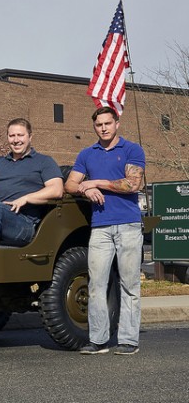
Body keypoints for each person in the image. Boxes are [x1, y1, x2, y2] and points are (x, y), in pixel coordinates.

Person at [65, 106, 145, 356]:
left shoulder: (132, 149)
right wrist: (84, 190)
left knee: (129, 283)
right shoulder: (87, 154)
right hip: (100, 227)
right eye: (99, 124)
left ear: (117, 123)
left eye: (108, 123)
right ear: (94, 126)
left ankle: (129, 340)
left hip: (129, 225)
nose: (103, 128)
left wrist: (96, 182)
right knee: (96, 284)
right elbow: (70, 183)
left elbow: (133, 184)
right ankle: (98, 340)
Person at [0, 118, 63, 248]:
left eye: (20, 135)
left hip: (24, 224)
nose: (16, 140)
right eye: (11, 135)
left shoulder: (44, 161)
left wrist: (26, 198)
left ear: (30, 137)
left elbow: (56, 190)